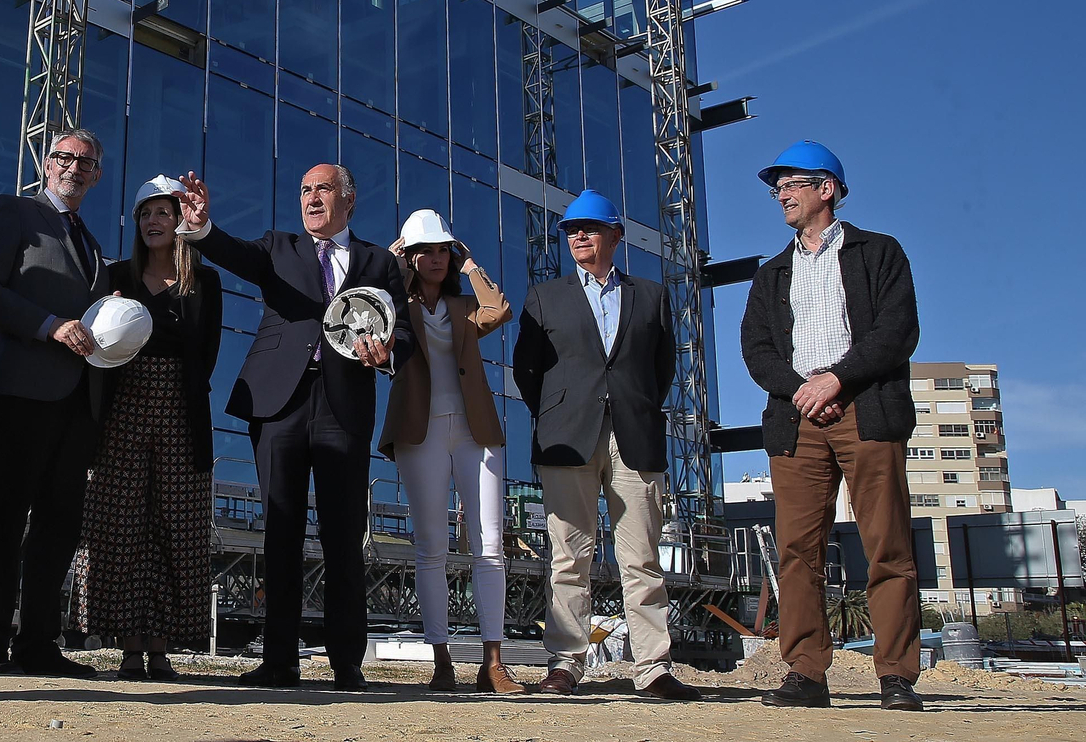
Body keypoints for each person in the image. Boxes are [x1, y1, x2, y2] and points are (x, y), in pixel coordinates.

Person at [176, 165, 413, 691]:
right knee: (281, 531)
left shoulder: (380, 262)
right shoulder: (278, 247)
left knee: (343, 536)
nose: (310, 197)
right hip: (278, 404)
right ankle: (279, 659)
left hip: (343, 408)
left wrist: (388, 353)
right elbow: (233, 253)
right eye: (304, 190)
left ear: (348, 200)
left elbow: (407, 338)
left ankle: (346, 663)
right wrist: (201, 227)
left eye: (322, 189)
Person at [740, 141, 923, 712]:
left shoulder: (879, 253)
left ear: (828, 188)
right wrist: (803, 389)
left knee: (886, 543)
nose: (781, 196)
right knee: (797, 548)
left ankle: (895, 675)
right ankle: (806, 673)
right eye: (777, 188)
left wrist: (836, 379)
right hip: (797, 420)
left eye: (792, 184)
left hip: (865, 410)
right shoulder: (772, 274)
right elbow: (756, 348)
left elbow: (897, 331)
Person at [511, 190, 701, 702]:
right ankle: (565, 664)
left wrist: (629, 406)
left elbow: (660, 371)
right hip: (565, 439)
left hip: (634, 438)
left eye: (590, 228)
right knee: (568, 556)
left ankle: (653, 668)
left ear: (615, 236)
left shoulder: (651, 295)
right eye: (572, 230)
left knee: (641, 558)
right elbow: (526, 371)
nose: (578, 236)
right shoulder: (544, 297)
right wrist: (560, 412)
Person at [0, 129, 110, 678]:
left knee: (59, 524)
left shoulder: (92, 243)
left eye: (86, 162)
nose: (74, 167)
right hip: (25, 387)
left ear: (96, 175)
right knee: (6, 516)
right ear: (47, 164)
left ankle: (39, 644)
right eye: (65, 157)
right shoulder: (15, 212)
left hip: (79, 398)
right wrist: (49, 326)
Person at [76, 175, 222, 681]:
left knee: (174, 527)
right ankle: (128, 649)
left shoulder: (205, 282)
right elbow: (97, 342)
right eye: (146, 214)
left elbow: (207, 356)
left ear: (180, 221)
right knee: (121, 528)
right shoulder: (117, 274)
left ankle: (159, 649)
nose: (154, 221)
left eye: (164, 212)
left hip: (181, 411)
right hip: (123, 409)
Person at [377, 209, 520, 694]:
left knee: (490, 547)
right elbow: (371, 304)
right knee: (431, 549)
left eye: (442, 250)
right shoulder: (398, 308)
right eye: (426, 251)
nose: (435, 258)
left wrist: (469, 264)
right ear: (412, 257)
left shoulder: (463, 309)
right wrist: (397, 255)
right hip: (421, 431)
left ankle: (493, 664)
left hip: (475, 431)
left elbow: (499, 310)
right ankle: (441, 662)